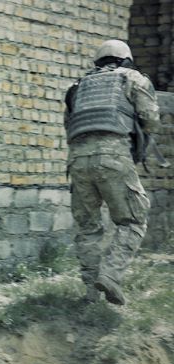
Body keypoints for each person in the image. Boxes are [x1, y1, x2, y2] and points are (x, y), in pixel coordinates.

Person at [64, 40, 160, 305]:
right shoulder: (133, 79)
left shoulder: (78, 86)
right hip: (113, 157)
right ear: (125, 60)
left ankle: (91, 295)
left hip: (78, 161)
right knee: (133, 221)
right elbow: (151, 118)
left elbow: (68, 123)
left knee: (88, 228)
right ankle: (111, 275)